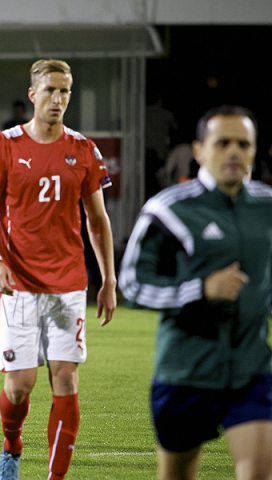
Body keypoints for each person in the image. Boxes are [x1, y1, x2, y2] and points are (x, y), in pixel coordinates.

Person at [0, 58, 117, 480]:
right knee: (18, 387)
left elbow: (98, 220)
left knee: (66, 380)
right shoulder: (5, 145)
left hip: (68, 282)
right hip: (18, 283)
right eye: (51, 90)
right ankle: (11, 445)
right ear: (34, 95)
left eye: (66, 91)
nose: (59, 99)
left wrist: (108, 279)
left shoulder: (83, 150)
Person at [119, 105, 272, 480]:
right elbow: (133, 284)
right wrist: (199, 289)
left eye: (243, 143)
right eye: (223, 143)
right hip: (185, 372)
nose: (234, 152)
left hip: (251, 368)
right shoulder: (168, 210)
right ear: (200, 151)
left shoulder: (267, 207)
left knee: (258, 473)